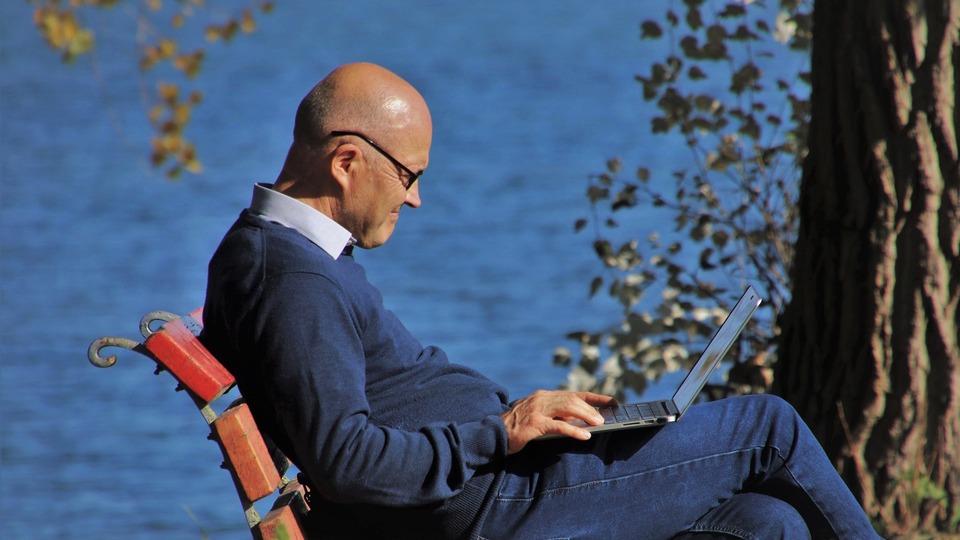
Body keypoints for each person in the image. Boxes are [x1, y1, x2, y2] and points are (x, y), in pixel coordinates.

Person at [201, 62, 879, 539]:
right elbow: (347, 461)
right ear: (346, 162)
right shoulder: (290, 280)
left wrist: (518, 423)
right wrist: (500, 432)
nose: (415, 198)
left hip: (494, 489)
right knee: (769, 427)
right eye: (409, 175)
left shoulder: (284, 255)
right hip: (492, 505)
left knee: (765, 524)